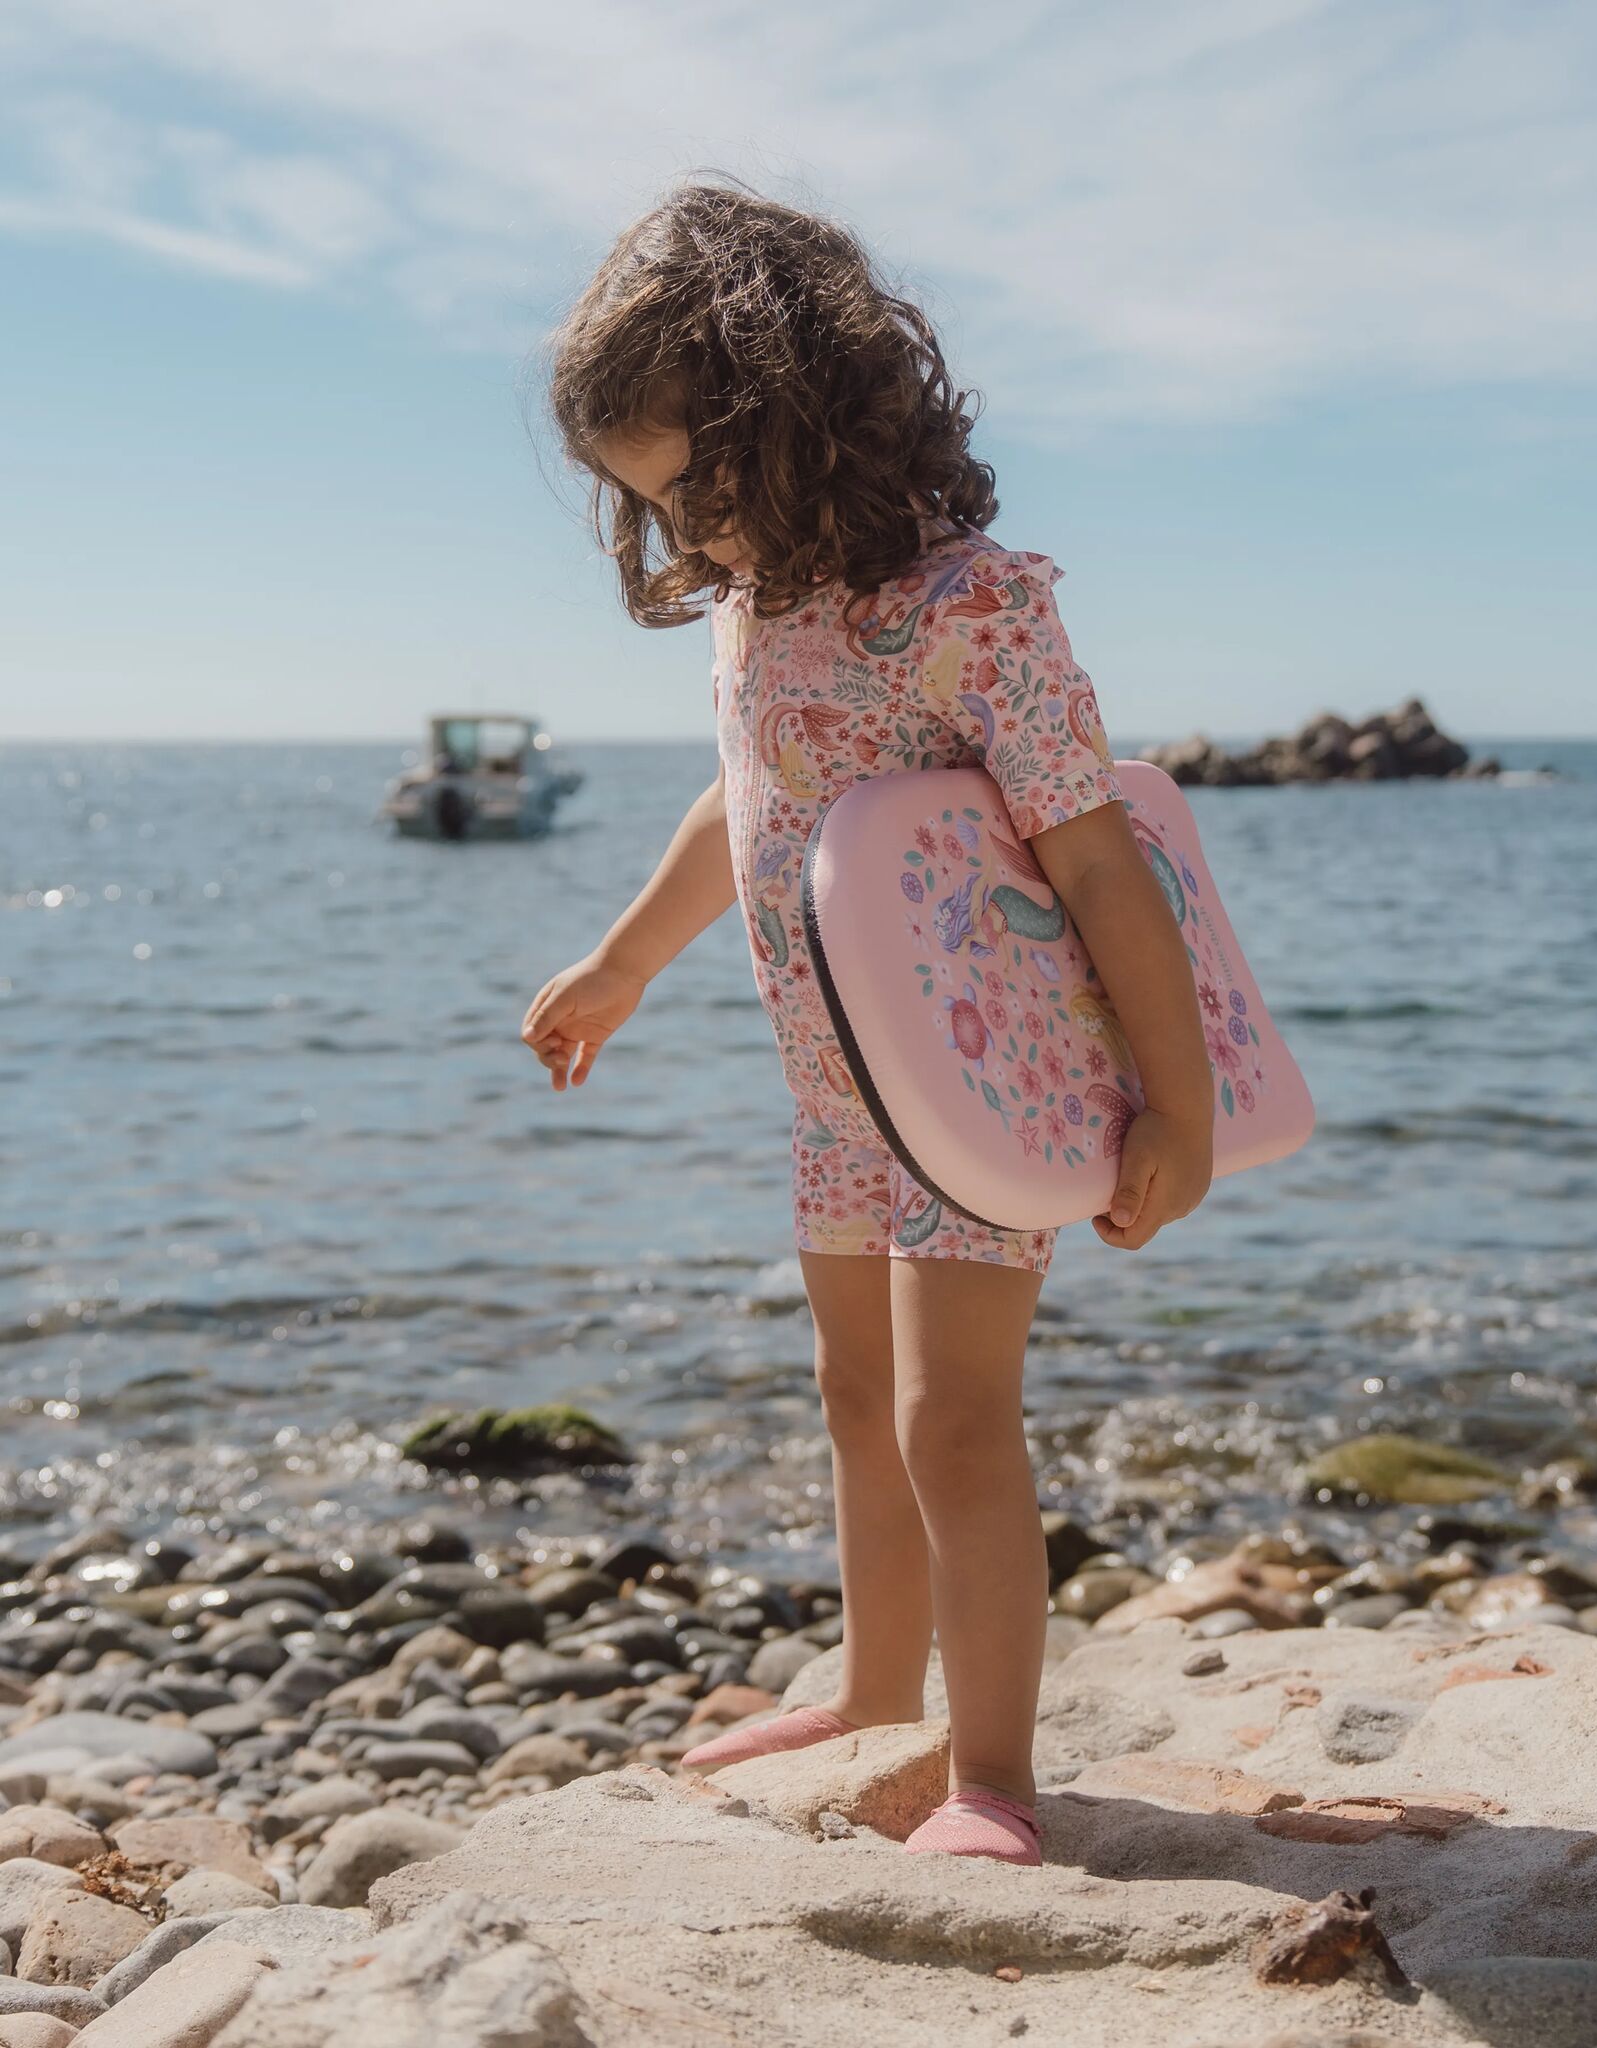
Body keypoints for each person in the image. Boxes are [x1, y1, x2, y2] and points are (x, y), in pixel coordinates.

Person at [521, 181, 1212, 1867]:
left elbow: (1101, 863)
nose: (685, 537)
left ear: (801, 417)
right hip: (841, 1092)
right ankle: (873, 1695)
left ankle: (991, 1777)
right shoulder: (760, 613)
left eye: (694, 487)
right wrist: (620, 963)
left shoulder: (972, 606)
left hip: (978, 1083)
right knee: (851, 1391)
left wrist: (1177, 1111)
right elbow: (738, 803)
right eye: (649, 508)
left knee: (951, 1417)